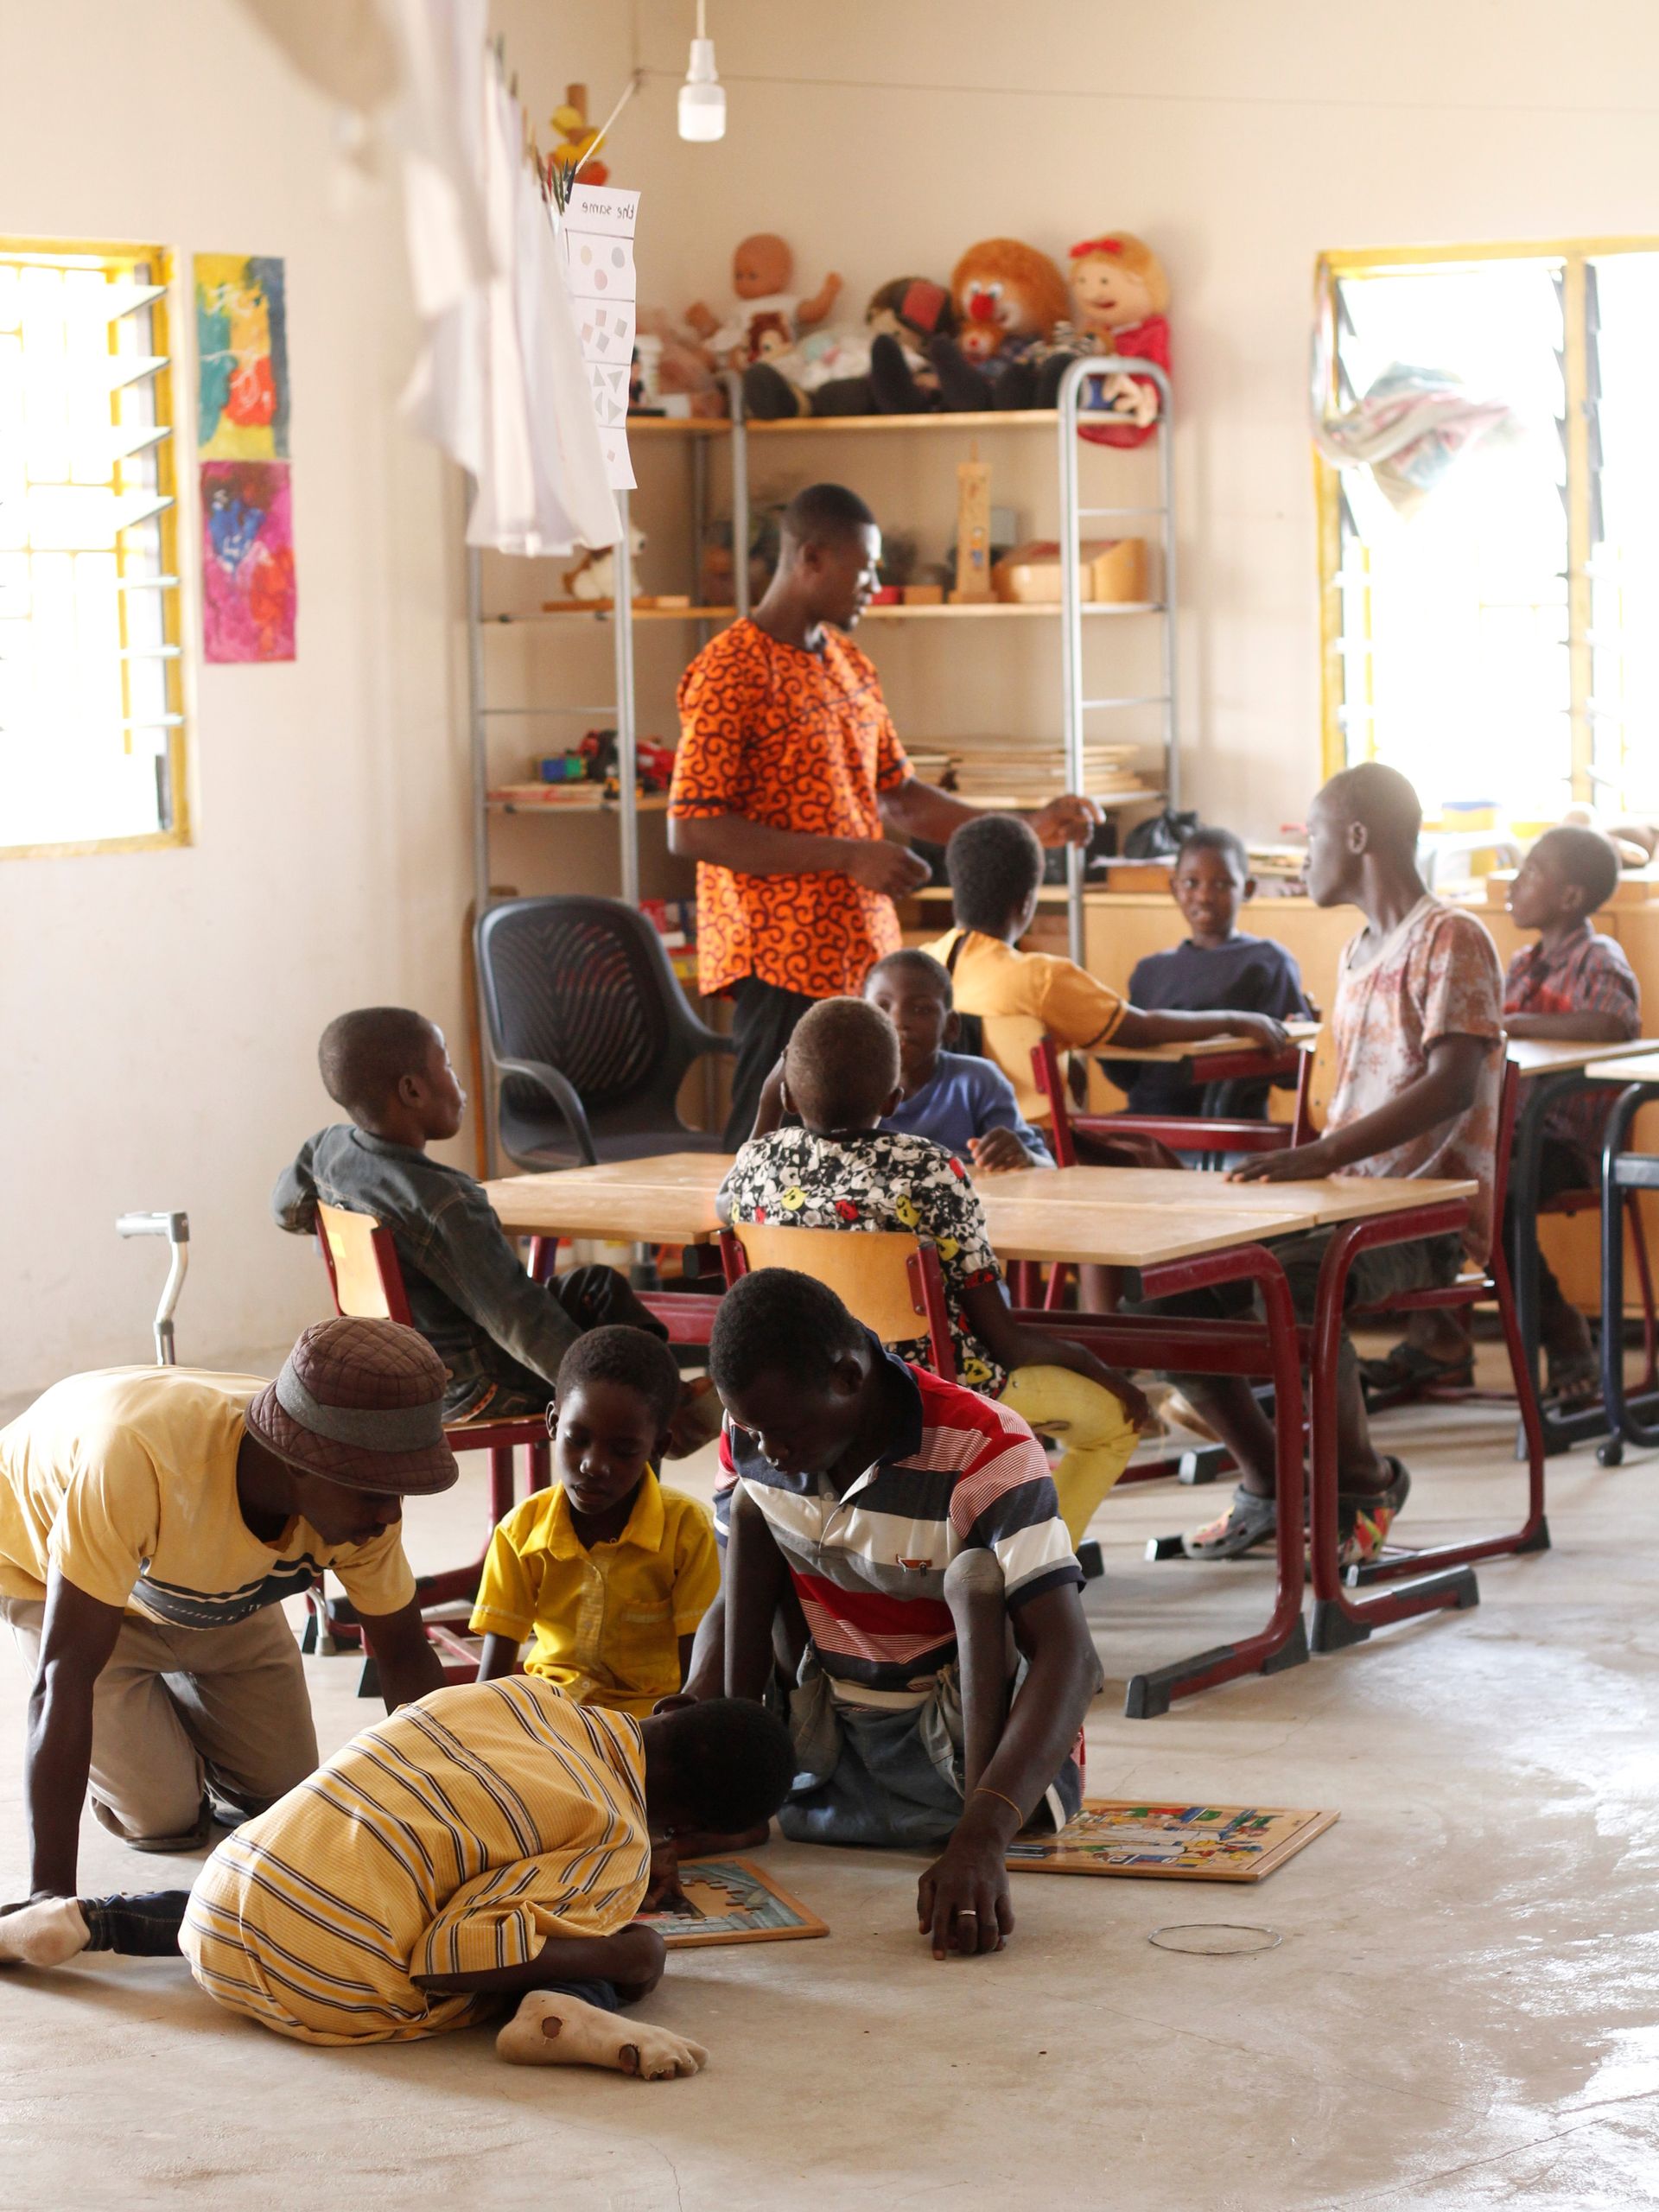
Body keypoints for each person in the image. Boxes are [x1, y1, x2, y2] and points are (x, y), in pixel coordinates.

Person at [0, 1678, 794, 2079]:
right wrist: (628, 1953)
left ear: (672, 1704)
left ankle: (87, 1920)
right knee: (576, 1937)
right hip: (325, 1984)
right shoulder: (618, 1841)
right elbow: (453, 1955)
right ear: (686, 1831)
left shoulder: (519, 1694)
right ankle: (560, 2012)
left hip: (213, 1907)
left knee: (324, 1876)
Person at [667, 482, 1099, 1146]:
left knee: (856, 1145)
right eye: (865, 568)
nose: (875, 584)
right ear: (812, 558)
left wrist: (1022, 829)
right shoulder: (730, 669)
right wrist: (848, 855)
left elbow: (902, 796)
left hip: (860, 956)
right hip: (777, 954)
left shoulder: (850, 663)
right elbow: (693, 826)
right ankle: (734, 1227)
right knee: (767, 1145)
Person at [1148, 762, 1504, 1564]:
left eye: (1311, 836)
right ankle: (1271, 1483)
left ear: (1357, 837)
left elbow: (1453, 1083)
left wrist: (1320, 1155)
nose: (1304, 856)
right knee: (1166, 1284)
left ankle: (1362, 1487)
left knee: (1302, 1283)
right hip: (1342, 1202)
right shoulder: (1354, 953)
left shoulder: (1451, 936)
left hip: (1424, 1213)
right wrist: (1315, 1167)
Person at [708, 1267, 1102, 1960]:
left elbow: (1070, 1656)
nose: (769, 1452)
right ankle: (737, 1799)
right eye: (751, 1429)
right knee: (749, 1508)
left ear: (849, 1377)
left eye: (783, 1432)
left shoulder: (987, 1447)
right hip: (827, 1730)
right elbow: (730, 1600)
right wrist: (705, 1742)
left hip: (953, 1741)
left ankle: (971, 1823)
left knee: (977, 1577)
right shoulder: (758, 1429)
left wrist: (983, 1838)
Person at [0, 1317, 454, 1903]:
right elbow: (63, 1677)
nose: (391, 1514)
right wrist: (48, 1897)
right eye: (374, 1494)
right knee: (163, 1817)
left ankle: (184, 1717)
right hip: (62, 1582)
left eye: (402, 1491)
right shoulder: (136, 1461)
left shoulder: (363, 1501)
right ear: (298, 1462)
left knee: (286, 1800)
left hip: (218, 1598)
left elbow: (405, 1657)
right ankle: (144, 1743)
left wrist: (450, 1824)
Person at [719, 995, 1147, 1542]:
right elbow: (1007, 1344)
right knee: (1113, 1425)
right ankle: (1032, 1563)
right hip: (930, 1393)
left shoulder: (755, 1165)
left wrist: (766, 1107)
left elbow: (724, 1200)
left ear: (785, 1093)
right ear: (895, 1099)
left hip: (818, 1394)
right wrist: (1099, 1367)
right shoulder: (930, 1170)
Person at [274, 1007, 715, 1448]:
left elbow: (285, 1209)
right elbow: (519, 1322)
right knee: (601, 1347)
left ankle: (664, 1403)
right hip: (472, 1387)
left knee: (598, 1287)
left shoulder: (327, 1149)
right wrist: (593, 1391)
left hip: (406, 1367)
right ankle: (655, 1418)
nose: (459, 1082)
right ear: (412, 1090)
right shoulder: (446, 1205)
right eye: (447, 1065)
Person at [1366, 823, 1639, 1402]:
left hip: (1565, 1144)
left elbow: (1611, 1023)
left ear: (1569, 897)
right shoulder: (1521, 962)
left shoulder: (1598, 958)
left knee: (1496, 1197)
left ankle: (1564, 1333)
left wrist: (1511, 1023)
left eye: (1532, 872)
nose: (1514, 884)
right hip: (1508, 1135)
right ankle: (1436, 1336)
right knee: (1424, 1175)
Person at [924, 812, 1291, 1135]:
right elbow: (1141, 1030)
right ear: (1027, 902)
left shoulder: (917, 968)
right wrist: (1235, 1021)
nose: (1205, 895)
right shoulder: (1043, 978)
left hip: (943, 1142)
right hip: (1032, 1144)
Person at [471, 1327, 720, 1715]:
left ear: (658, 1447)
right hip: (552, 1717)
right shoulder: (520, 1531)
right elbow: (491, 1682)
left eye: (623, 1450)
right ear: (553, 1423)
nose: (594, 1465)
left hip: (646, 1724)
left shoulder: (689, 1533)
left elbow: (696, 1691)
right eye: (577, 1439)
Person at [1102, 825, 1313, 1122]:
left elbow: (1292, 1071)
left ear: (1248, 889)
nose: (1204, 896)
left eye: (1222, 884)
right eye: (1191, 883)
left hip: (1226, 1123)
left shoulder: (1267, 961)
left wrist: (1294, 1037)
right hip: (1148, 1119)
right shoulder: (1149, 971)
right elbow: (1129, 1074)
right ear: (1174, 888)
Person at [863, 948, 1053, 1171]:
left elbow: (1047, 1168)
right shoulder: (849, 1088)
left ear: (951, 1026)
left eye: (920, 1009)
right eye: (882, 1006)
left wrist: (1024, 1157)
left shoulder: (976, 1082)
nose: (898, 1020)